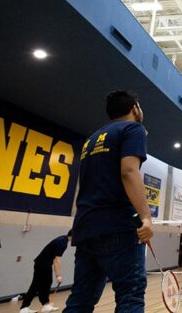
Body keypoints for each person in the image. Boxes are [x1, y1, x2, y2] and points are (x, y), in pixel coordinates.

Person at [65, 90, 153, 312]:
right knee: (130, 296)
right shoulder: (134, 129)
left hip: (85, 228)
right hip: (117, 227)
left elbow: (84, 185)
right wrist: (146, 217)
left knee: (80, 301)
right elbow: (129, 171)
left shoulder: (91, 140)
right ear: (134, 108)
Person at [19, 231, 72, 313]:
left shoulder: (62, 239)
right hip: (43, 264)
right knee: (37, 285)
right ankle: (25, 307)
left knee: (44, 284)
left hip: (42, 264)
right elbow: (56, 260)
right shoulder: (62, 242)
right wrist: (58, 275)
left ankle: (44, 305)